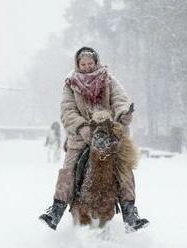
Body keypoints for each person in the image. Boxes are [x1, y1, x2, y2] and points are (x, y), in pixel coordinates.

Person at [39, 47, 149, 231]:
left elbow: (120, 99)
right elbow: (68, 110)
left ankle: (130, 214)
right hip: (81, 135)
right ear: (77, 64)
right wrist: (82, 127)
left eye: (90, 63)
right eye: (83, 64)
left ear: (96, 62)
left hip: (108, 131)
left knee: (125, 169)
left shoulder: (108, 79)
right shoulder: (70, 84)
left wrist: (123, 112)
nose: (88, 67)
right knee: (68, 169)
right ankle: (56, 209)